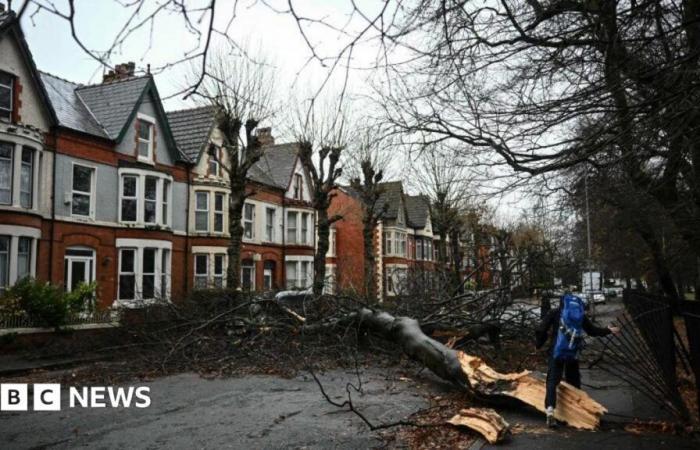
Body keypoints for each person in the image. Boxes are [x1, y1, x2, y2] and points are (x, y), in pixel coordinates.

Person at [535, 293, 620, 428]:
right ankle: (578, 410)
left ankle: (550, 411)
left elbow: (541, 329)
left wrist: (539, 344)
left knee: (552, 381)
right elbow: (592, 331)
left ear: (561, 303)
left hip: (556, 352)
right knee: (574, 381)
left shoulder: (554, 313)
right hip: (572, 352)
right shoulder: (579, 315)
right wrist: (608, 330)